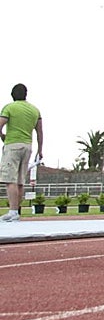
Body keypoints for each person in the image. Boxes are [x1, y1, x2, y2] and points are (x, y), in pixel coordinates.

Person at [0, 84, 43, 222]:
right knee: (20, 181)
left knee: (10, 179)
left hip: (13, 145)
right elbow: (40, 132)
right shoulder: (34, 110)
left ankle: (12, 211)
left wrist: (2, 136)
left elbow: (0, 124)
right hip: (27, 146)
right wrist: (40, 149)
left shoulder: (10, 107)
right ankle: (16, 211)